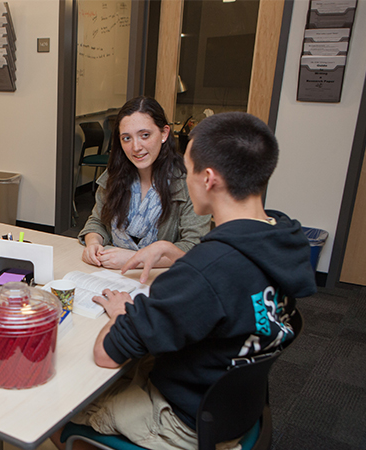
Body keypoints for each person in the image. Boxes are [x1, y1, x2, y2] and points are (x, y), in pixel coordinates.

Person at [52, 112, 317, 450]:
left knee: (57, 411)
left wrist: (122, 312)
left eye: (189, 169)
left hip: (183, 421)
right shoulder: (282, 237)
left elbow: (107, 353)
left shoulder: (205, 271)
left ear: (208, 179)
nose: (184, 178)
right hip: (231, 405)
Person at [78, 96, 211, 271]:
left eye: (145, 135)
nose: (136, 147)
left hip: (163, 280)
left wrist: (135, 259)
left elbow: (195, 247)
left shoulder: (189, 181)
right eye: (126, 138)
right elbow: (97, 221)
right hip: (112, 275)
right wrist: (93, 242)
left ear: (164, 133)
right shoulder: (114, 175)